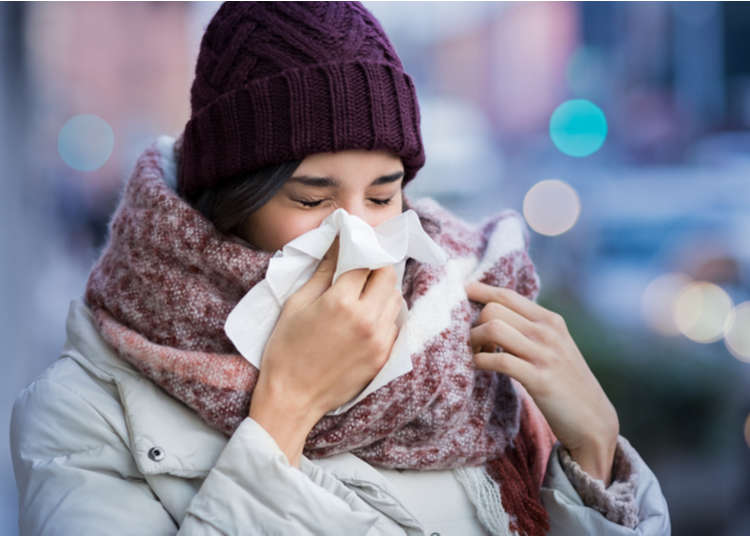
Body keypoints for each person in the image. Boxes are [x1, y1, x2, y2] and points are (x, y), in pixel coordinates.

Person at [10, 2, 671, 535]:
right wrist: (285, 414)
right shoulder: (83, 414)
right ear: (229, 200)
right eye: (312, 197)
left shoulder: (465, 340)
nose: (358, 232)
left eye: (383, 195)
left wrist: (594, 461)